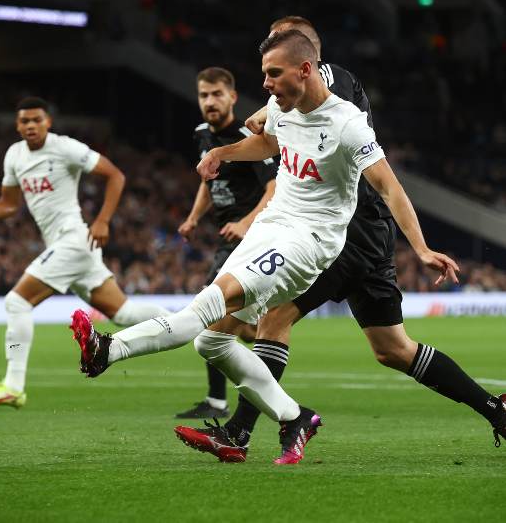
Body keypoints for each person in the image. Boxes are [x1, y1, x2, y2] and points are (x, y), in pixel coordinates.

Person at [72, 29, 458, 464]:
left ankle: (108, 350)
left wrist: (421, 248)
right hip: (272, 227)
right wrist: (225, 153)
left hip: (309, 241)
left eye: (273, 73)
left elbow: (390, 188)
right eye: (264, 74)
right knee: (211, 343)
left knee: (205, 307)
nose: (265, 84)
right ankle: (294, 417)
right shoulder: (281, 106)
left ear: (306, 69)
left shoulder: (347, 123)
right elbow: (270, 141)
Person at [176, 16, 506, 462]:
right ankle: (494, 408)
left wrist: (423, 247)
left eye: (278, 50)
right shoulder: (319, 89)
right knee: (393, 349)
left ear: (306, 56)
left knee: (273, 318)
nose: (270, 63)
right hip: (369, 235)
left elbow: (378, 176)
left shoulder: (329, 86)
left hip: (342, 232)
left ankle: (238, 433)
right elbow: (276, 134)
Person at [0, 97, 170, 408]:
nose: (30, 126)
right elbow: (10, 204)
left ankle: (13, 386)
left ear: (48, 122)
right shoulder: (14, 155)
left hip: (74, 240)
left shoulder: (64, 147)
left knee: (16, 301)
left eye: (36, 120)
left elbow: (116, 175)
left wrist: (103, 220)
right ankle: (192, 321)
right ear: (17, 126)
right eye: (24, 121)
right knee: (123, 313)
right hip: (69, 247)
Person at [175, 67, 277, 420]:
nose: (210, 101)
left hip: (251, 237)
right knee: (241, 327)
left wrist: (245, 223)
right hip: (226, 238)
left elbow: (273, 186)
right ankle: (263, 338)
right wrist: (193, 217)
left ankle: (222, 401)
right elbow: (208, 180)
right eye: (204, 95)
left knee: (211, 311)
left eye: (217, 94)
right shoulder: (202, 134)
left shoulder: (245, 136)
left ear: (232, 97)